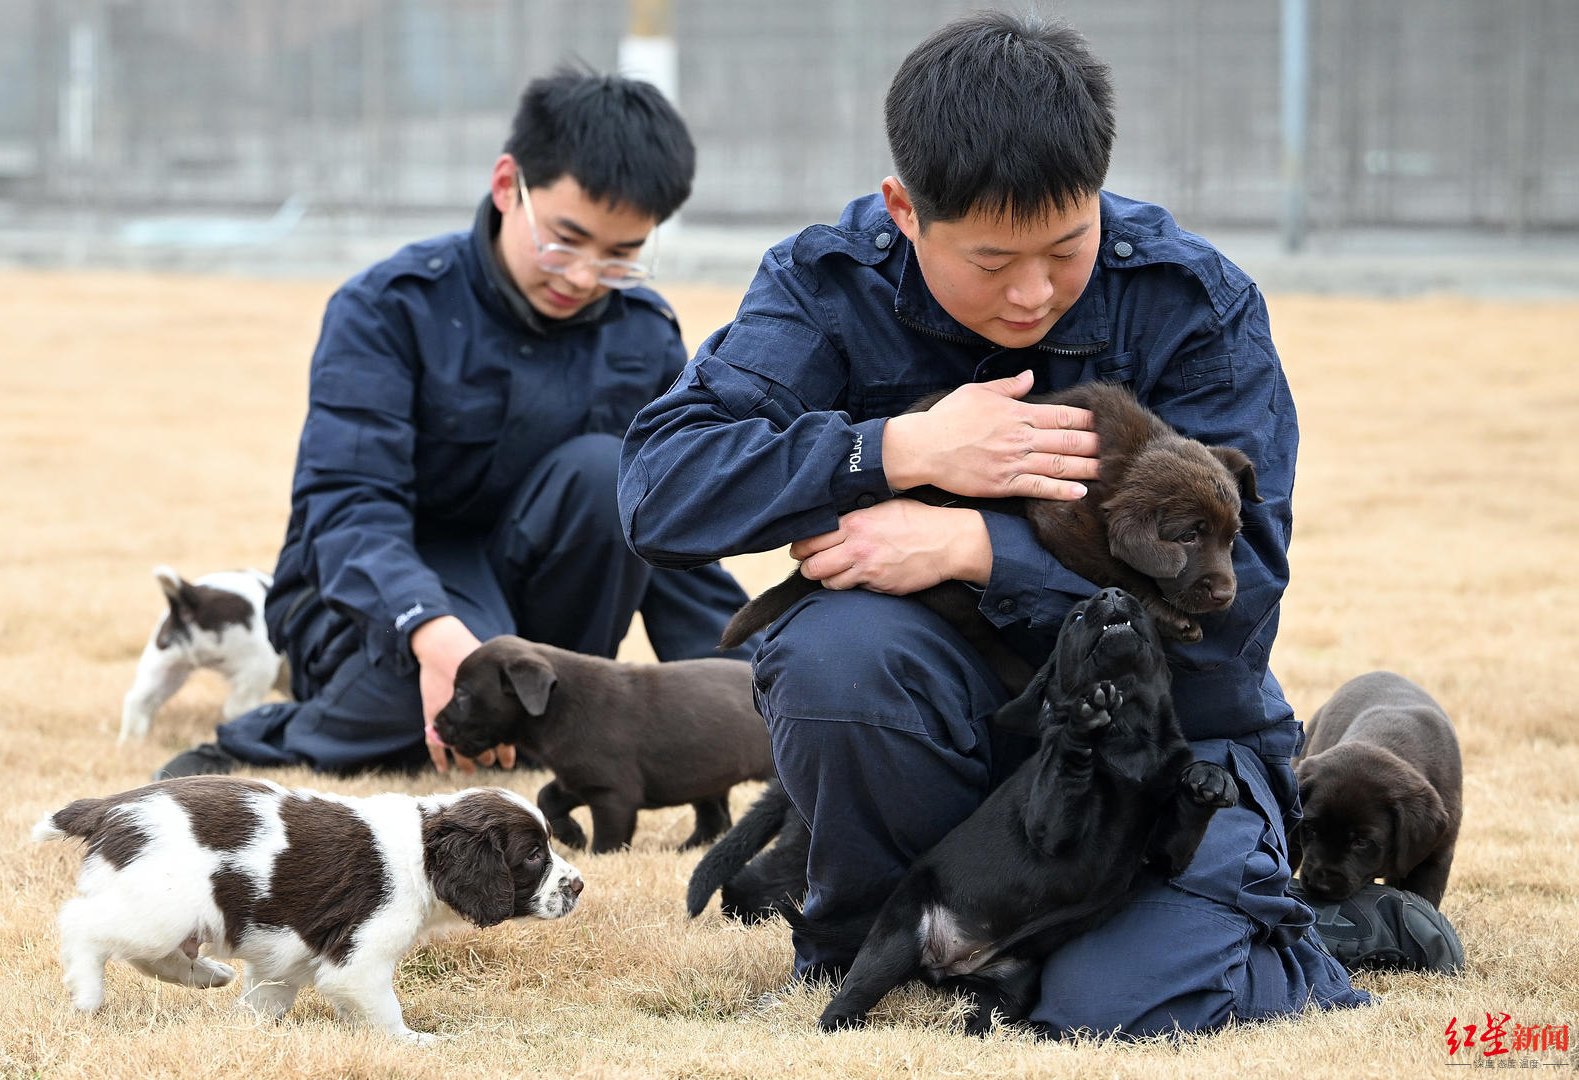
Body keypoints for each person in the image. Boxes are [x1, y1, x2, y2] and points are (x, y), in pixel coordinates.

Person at [618, 13, 1376, 1036]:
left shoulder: (1194, 305)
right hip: (944, 744)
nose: (1032, 293)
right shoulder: (825, 286)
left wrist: (979, 549)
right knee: (839, 656)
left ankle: (1332, 927)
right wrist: (895, 451)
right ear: (904, 208)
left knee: (1114, 1004)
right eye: (990, 260)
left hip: (1158, 752)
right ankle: (868, 935)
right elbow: (660, 488)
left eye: (1067, 248)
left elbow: (1231, 624)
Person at [157, 67, 752, 781]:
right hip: (376, 600)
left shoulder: (644, 336)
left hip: (526, 636)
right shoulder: (386, 308)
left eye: (622, 257)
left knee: (612, 477)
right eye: (565, 242)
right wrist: (432, 636)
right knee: (409, 708)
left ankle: (516, 722)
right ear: (508, 186)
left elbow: (670, 529)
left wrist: (759, 687)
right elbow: (347, 508)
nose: (585, 278)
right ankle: (268, 738)